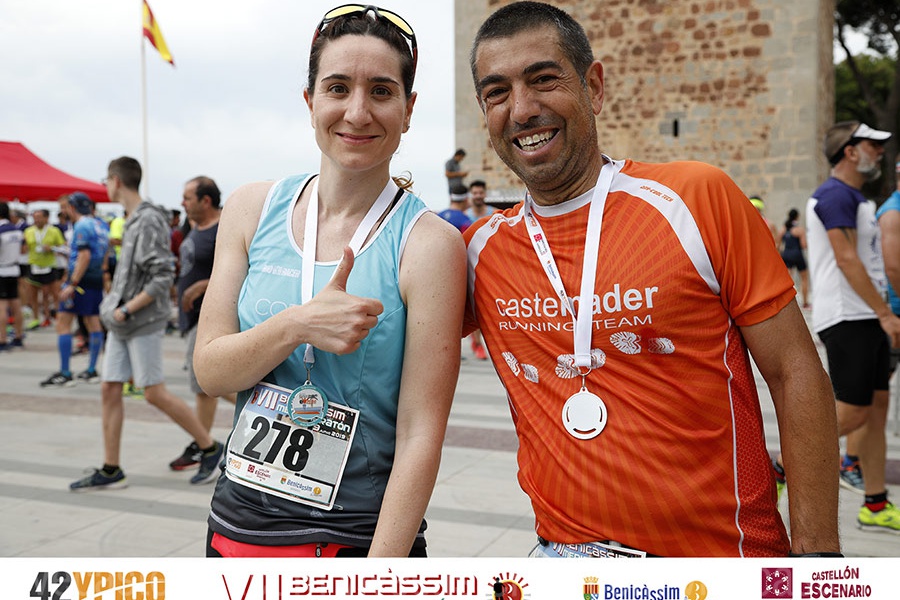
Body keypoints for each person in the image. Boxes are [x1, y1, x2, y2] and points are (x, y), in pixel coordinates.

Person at [464, 1, 839, 557]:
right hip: (562, 559)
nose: (522, 109)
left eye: (544, 80)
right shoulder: (478, 252)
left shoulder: (696, 198)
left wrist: (818, 556)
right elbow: (385, 354)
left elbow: (793, 371)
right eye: (497, 93)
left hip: (720, 563)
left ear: (593, 87)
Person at [193, 5, 465, 558]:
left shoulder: (429, 244)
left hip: (354, 539)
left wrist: (379, 577)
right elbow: (212, 372)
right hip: (236, 527)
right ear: (310, 101)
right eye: (338, 88)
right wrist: (296, 325)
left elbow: (420, 433)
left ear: (409, 110)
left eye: (382, 91)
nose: (357, 112)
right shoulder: (251, 209)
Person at [68, 157, 224, 491]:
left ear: (115, 180)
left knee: (153, 392)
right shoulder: (132, 219)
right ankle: (111, 468)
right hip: (121, 321)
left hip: (141, 320)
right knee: (110, 387)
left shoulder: (149, 219)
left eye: (106, 180)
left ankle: (210, 447)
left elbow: (162, 274)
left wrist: (127, 309)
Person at [807, 120, 900, 533]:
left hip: (866, 315)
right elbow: (845, 259)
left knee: (876, 412)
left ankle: (875, 505)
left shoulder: (855, 197)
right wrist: (885, 313)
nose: (879, 152)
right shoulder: (834, 195)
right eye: (871, 145)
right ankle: (779, 467)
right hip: (849, 315)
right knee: (855, 411)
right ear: (849, 151)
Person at [167, 176, 236, 471]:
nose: (182, 203)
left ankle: (207, 445)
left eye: (188, 197)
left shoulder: (224, 228)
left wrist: (202, 286)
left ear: (206, 201)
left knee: (207, 382)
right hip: (191, 316)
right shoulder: (194, 227)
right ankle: (203, 443)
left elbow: (242, 269)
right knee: (203, 386)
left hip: (209, 316)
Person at [40, 193, 108, 386]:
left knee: (63, 323)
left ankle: (65, 372)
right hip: (95, 279)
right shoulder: (100, 225)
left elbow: (84, 256)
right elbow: (104, 252)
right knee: (93, 322)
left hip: (80, 282)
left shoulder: (81, 226)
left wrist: (72, 283)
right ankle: (92, 370)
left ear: (72, 207)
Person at [24, 209, 66, 328]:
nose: (36, 220)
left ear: (46, 218)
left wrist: (52, 248)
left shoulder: (54, 231)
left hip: (50, 265)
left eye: (39, 217)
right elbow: (24, 248)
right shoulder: (28, 231)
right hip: (33, 265)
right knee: (33, 295)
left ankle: (57, 317)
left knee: (53, 294)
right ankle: (36, 318)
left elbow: (63, 247)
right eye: (35, 217)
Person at [0, 202, 25, 351]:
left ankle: (2, 339)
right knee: (16, 304)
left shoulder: (1, 230)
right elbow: (24, 249)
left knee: (2, 306)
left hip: (2, 269)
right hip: (15, 269)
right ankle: (18, 337)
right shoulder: (17, 230)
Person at [778, 208, 810, 309]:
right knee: (804, 278)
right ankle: (805, 303)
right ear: (797, 217)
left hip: (786, 254)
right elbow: (804, 245)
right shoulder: (799, 230)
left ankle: (785, 304)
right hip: (797, 255)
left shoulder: (783, 229)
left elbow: (778, 243)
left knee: (786, 281)